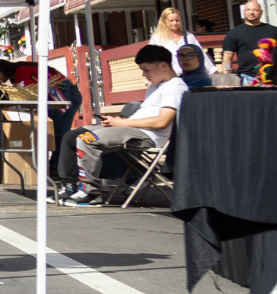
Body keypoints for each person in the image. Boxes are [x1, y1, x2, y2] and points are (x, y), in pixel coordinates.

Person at [54, 44, 186, 206]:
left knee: (86, 139)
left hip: (146, 135)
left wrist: (122, 122)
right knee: (71, 136)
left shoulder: (175, 87)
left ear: (163, 65)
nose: (144, 75)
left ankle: (91, 193)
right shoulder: (156, 86)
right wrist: (117, 121)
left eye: (146, 70)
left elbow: (162, 121)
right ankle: (70, 186)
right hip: (131, 128)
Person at [221, 0, 277, 82]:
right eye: (248, 10)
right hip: (248, 78)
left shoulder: (274, 31)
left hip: (273, 77)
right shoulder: (234, 33)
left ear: (261, 12)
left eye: (255, 10)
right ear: (244, 12)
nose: (251, 12)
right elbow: (227, 57)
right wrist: (227, 78)